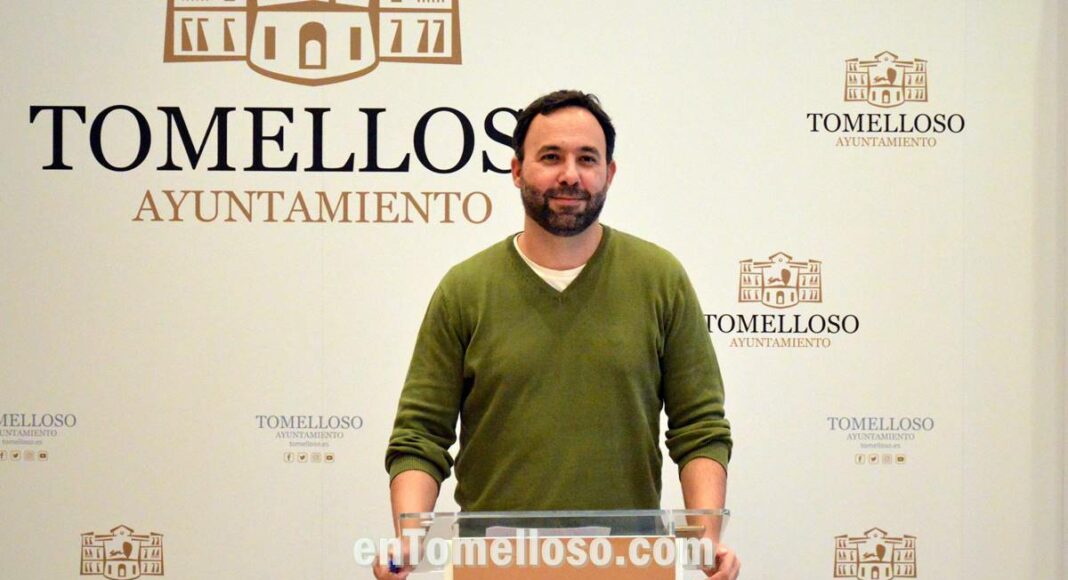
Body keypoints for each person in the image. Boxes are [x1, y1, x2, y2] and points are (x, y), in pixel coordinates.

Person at [376, 90, 739, 579]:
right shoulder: (464, 289)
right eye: (551, 157)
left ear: (609, 173)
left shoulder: (660, 279)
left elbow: (700, 428)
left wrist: (706, 535)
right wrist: (409, 538)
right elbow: (421, 435)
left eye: (587, 159)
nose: (570, 174)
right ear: (516, 170)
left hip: (626, 565)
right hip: (494, 566)